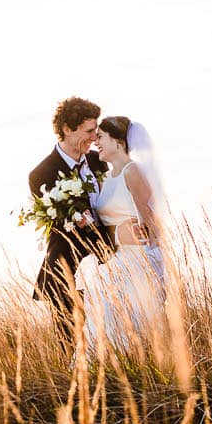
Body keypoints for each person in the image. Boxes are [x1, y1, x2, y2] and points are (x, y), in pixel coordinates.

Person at [28, 96, 114, 344]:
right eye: (88, 131)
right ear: (67, 129)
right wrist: (78, 221)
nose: (94, 138)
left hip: (107, 264)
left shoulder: (100, 161)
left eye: (95, 131)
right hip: (68, 269)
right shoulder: (41, 174)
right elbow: (57, 225)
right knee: (73, 343)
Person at [82, 115, 167, 352]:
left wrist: (143, 240)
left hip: (135, 262)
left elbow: (150, 222)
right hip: (112, 262)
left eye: (100, 137)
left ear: (119, 142)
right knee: (102, 321)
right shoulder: (105, 179)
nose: (96, 141)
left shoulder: (133, 171)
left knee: (129, 325)